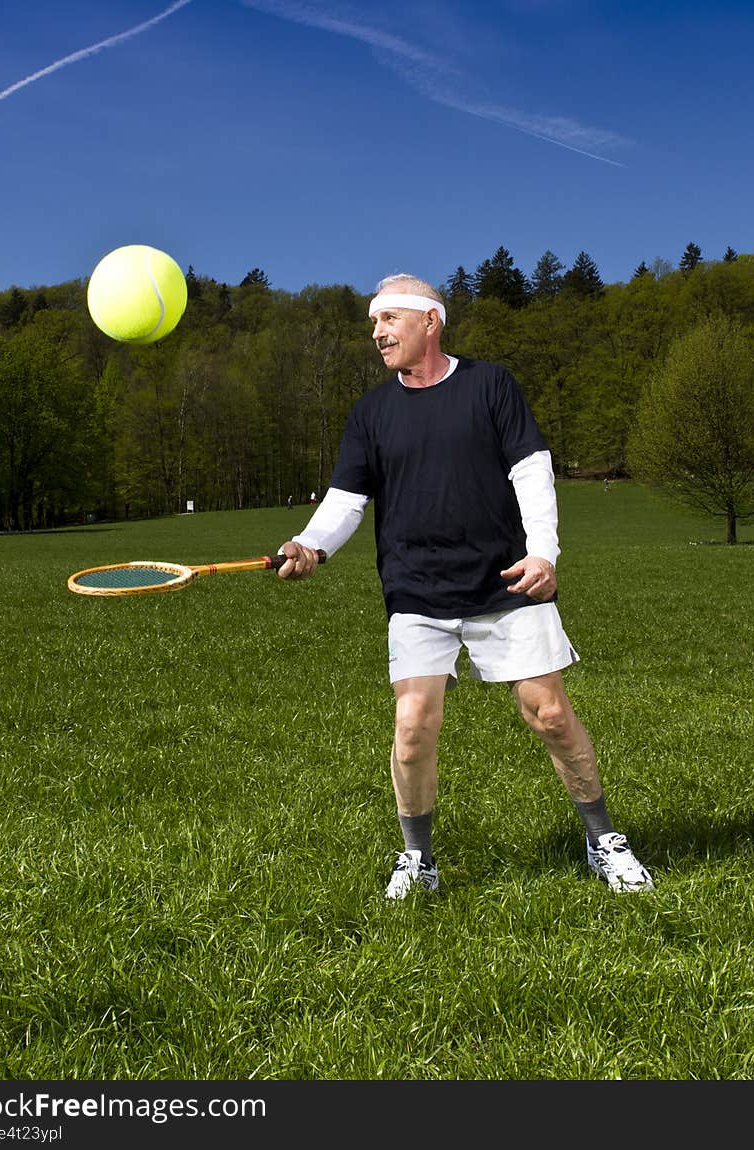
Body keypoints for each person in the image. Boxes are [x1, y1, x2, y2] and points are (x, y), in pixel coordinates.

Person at [276, 274, 653, 898]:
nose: (377, 332)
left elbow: (532, 473)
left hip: (505, 581)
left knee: (552, 715)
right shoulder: (371, 412)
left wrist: (543, 554)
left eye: (390, 319)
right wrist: (311, 544)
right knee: (413, 724)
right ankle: (418, 860)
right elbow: (346, 499)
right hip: (416, 590)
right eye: (374, 323)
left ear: (431, 322)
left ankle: (601, 839)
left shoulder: (490, 385)